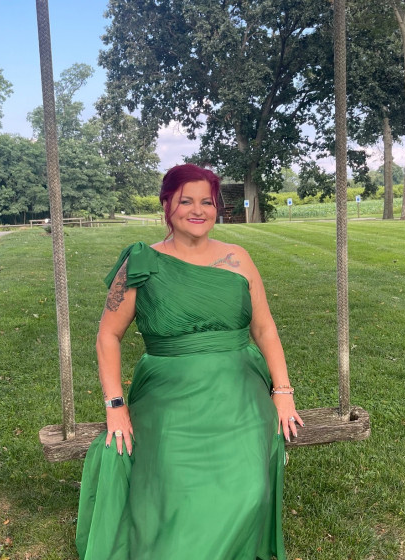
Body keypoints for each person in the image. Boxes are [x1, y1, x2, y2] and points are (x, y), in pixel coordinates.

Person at [76, 163, 302, 560]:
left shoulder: (239, 259)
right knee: (173, 484)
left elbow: (265, 329)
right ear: (167, 205)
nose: (198, 210)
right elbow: (108, 336)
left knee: (249, 486)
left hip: (238, 388)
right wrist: (115, 405)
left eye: (207, 202)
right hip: (168, 391)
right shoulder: (141, 263)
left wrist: (282, 392)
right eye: (186, 201)